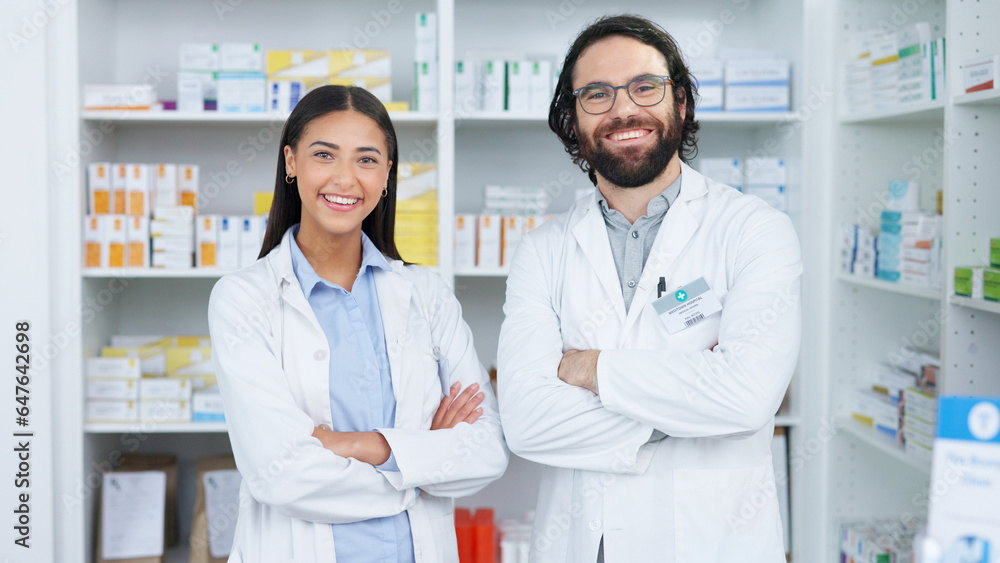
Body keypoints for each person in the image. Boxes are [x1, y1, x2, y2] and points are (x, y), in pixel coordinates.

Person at [497, 15, 802, 563]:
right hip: (582, 546)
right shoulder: (542, 250)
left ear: (680, 102)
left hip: (711, 544)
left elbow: (747, 398)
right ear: (572, 119)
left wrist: (590, 370)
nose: (623, 109)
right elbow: (525, 422)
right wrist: (685, 407)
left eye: (645, 87)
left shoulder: (756, 230)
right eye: (597, 94)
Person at [208, 85, 508, 562]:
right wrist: (419, 467)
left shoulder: (425, 294)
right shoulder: (244, 299)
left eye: (367, 160)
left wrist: (359, 444)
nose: (345, 178)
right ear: (291, 163)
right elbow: (280, 474)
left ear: (387, 174)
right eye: (324, 154)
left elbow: (486, 450)